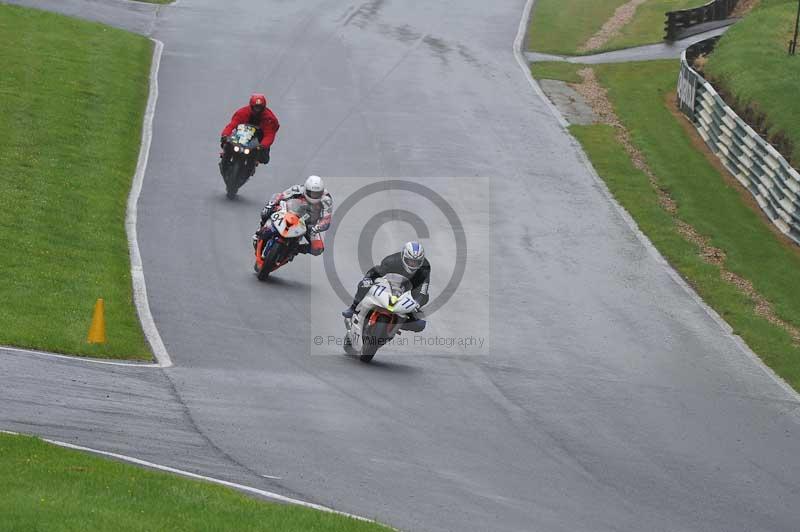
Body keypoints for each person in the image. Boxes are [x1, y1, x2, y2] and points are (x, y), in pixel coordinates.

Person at [341, 242, 429, 325]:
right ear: (403, 257)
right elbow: (376, 271)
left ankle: (405, 321)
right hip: (389, 285)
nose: (413, 264)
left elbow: (423, 290)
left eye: (416, 262)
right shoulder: (391, 261)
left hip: (410, 288)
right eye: (410, 261)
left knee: (420, 319)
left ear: (421, 261)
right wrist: (368, 279)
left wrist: (417, 303)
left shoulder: (425, 268)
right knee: (363, 284)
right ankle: (353, 308)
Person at [255, 175, 333, 256]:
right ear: (306, 189)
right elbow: (281, 196)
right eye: (311, 193)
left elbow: (326, 219)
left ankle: (294, 249)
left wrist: (316, 228)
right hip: (291, 212)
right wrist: (271, 205)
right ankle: (261, 229)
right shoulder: (298, 189)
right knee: (267, 211)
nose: (314, 196)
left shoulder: (326, 200)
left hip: (310, 223)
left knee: (318, 248)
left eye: (317, 194)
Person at [220, 93, 280, 165]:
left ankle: (254, 161)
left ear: (263, 107)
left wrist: (262, 145)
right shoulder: (242, 113)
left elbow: (269, 135)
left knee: (264, 158)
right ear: (251, 106)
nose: (257, 110)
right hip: (241, 136)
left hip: (258, 140)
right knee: (227, 143)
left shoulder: (269, 119)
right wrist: (225, 135)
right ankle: (225, 156)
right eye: (256, 107)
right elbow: (232, 125)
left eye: (260, 107)